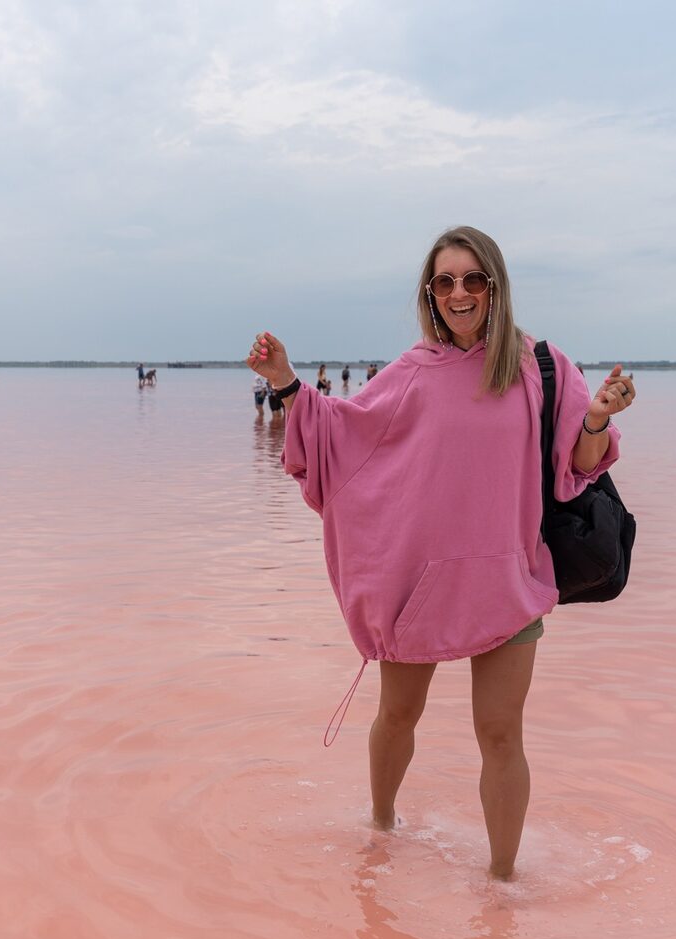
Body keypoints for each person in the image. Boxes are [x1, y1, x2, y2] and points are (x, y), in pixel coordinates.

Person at [244, 225, 634, 881]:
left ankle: (504, 886)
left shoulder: (541, 366)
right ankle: (380, 829)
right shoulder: (413, 372)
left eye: (472, 279)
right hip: (422, 583)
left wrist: (595, 416)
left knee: (502, 734)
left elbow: (580, 466)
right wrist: (285, 380)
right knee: (397, 714)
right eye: (445, 281)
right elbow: (344, 434)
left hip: (509, 577)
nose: (460, 293)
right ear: (432, 293)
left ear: (494, 286)